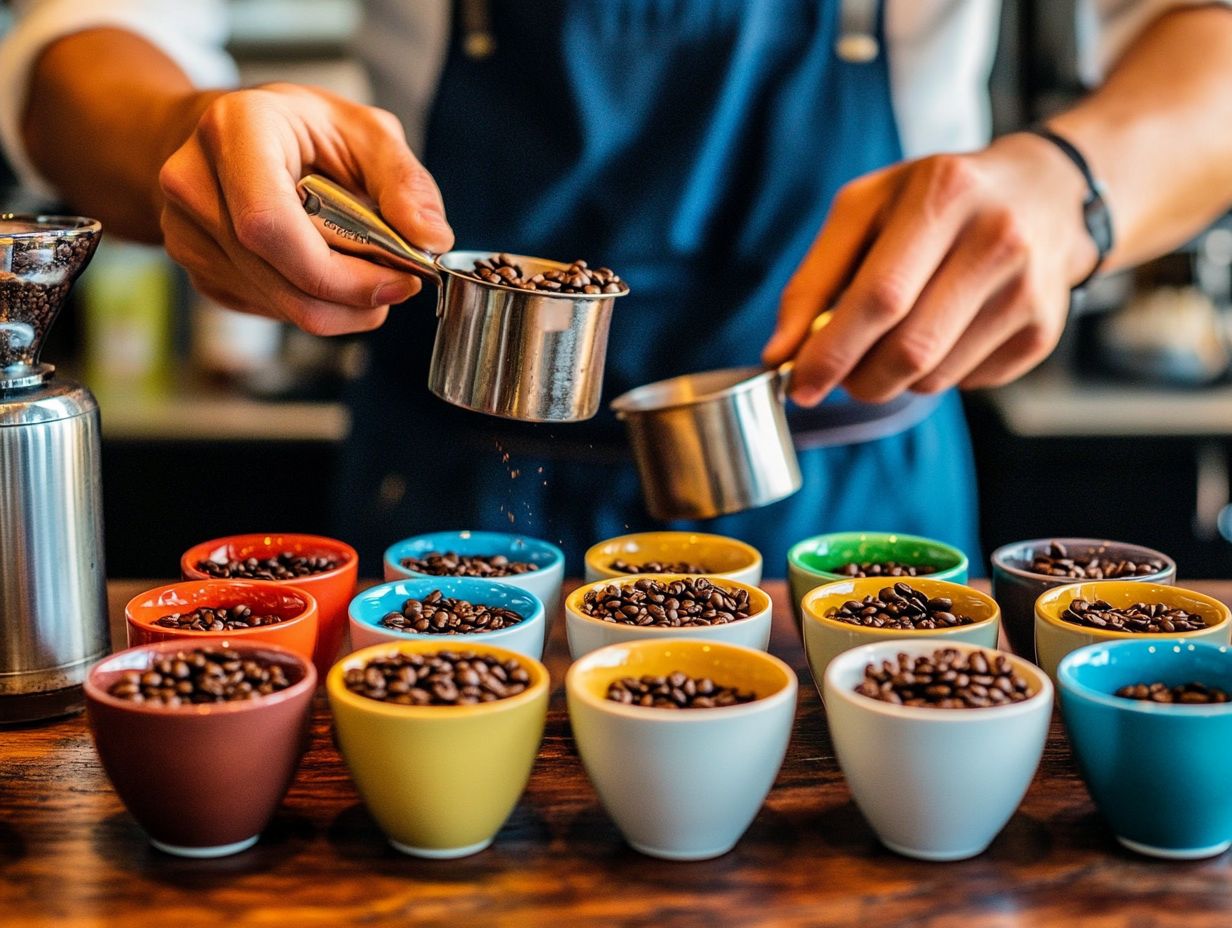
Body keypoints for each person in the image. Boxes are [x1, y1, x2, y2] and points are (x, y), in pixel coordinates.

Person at [3, 0, 1231, 574]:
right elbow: (75, 45)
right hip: (453, 485)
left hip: (852, 483)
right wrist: (192, 128)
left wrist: (1073, 178)